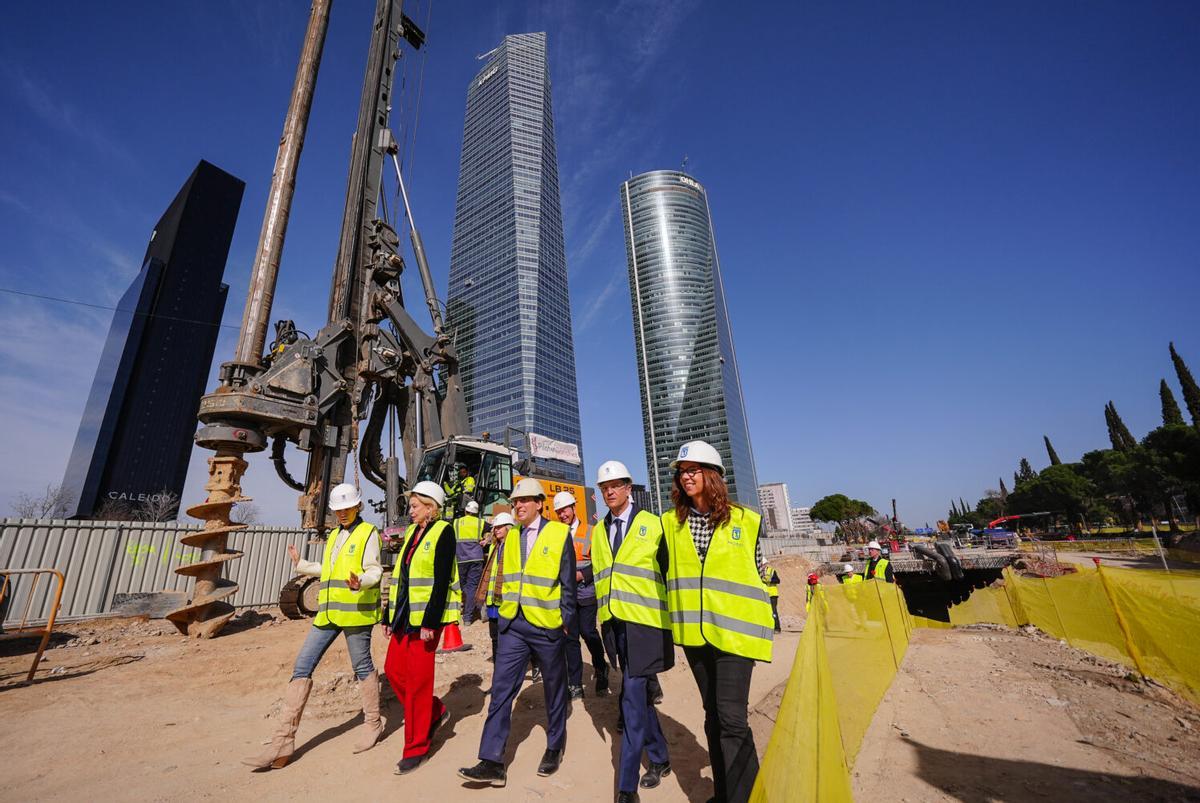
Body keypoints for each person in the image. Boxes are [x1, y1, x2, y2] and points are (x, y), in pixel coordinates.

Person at [662, 441, 774, 803]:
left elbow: (760, 575)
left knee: (732, 720)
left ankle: (747, 797)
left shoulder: (746, 520)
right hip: (696, 635)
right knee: (713, 717)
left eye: (694, 469)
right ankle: (726, 794)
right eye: (682, 471)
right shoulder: (670, 524)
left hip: (735, 637)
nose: (686, 476)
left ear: (713, 476)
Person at [242, 483, 383, 770]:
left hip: (355, 613)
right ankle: (283, 741)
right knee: (302, 667)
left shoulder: (368, 533)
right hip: (327, 613)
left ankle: (373, 722)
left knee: (362, 667)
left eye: (346, 508)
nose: (342, 513)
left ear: (357, 507)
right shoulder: (334, 535)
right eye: (337, 510)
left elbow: (374, 570)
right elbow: (330, 570)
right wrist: (303, 564)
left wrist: (361, 582)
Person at [459, 478, 577, 788]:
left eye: (525, 500)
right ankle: (492, 760)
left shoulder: (558, 533)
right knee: (501, 690)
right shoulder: (509, 538)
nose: (518, 506)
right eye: (515, 502)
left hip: (546, 624)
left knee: (554, 688)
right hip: (514, 625)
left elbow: (567, 581)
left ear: (540, 503)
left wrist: (565, 619)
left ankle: (554, 746)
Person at [593, 460, 673, 803]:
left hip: (645, 625)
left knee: (630, 696)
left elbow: (670, 573)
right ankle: (660, 757)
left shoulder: (653, 525)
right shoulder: (598, 531)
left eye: (616, 485)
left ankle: (626, 787)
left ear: (629, 487)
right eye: (604, 487)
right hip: (615, 625)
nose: (609, 491)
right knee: (637, 696)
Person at [382, 480, 462, 774]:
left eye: (415, 505)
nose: (410, 509)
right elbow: (401, 579)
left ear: (430, 507)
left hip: (426, 621)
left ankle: (416, 748)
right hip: (404, 617)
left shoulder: (444, 532)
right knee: (392, 670)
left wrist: (430, 621)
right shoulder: (412, 534)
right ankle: (435, 710)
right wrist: (388, 617)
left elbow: (441, 581)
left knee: (417, 683)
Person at [555, 489, 610, 700]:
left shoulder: (591, 531)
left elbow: (599, 561)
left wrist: (582, 574)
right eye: (559, 512)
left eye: (565, 510)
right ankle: (575, 683)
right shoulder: (557, 533)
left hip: (586, 592)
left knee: (588, 632)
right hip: (566, 595)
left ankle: (600, 667)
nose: (562, 515)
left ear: (573, 508)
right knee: (570, 638)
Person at [479, 512, 516, 662]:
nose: (497, 530)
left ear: (509, 528)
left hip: (506, 599)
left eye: (500, 527)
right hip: (493, 599)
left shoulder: (513, 546)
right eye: (496, 527)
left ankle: (534, 663)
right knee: (494, 635)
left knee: (510, 635)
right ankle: (497, 663)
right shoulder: (495, 546)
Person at [455, 500, 487, 625]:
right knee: (472, 587)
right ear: (476, 512)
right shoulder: (480, 522)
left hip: (461, 558)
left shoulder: (456, 522)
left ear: (465, 510)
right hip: (476, 558)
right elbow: (494, 527)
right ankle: (468, 618)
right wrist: (486, 540)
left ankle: (461, 614)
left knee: (462, 586)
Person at [762, 563, 782, 633]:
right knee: (765, 611)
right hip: (764, 594)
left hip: (773, 594)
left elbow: (778, 580)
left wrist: (769, 580)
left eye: (762, 564)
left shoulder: (771, 571)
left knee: (773, 611)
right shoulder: (759, 572)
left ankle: (777, 628)